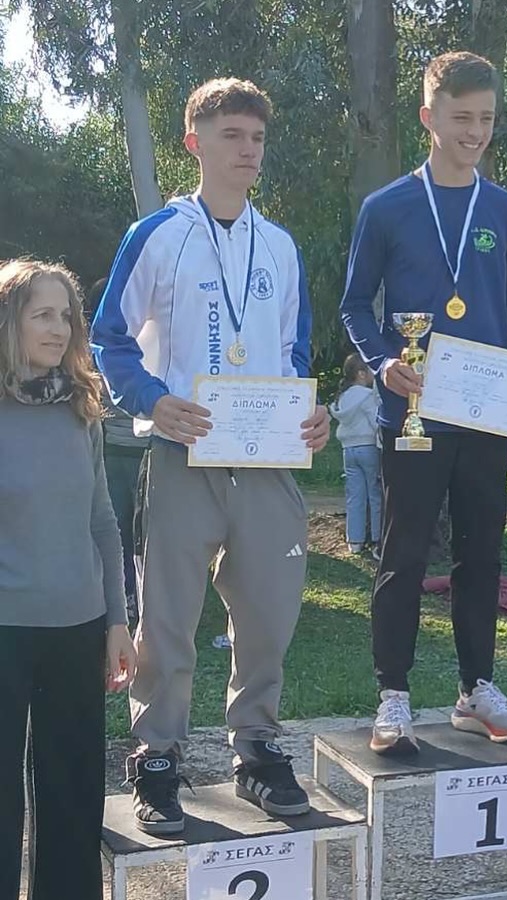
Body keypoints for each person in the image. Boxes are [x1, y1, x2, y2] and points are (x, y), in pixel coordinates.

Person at [91, 77, 330, 835]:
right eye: (232, 135)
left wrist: (308, 415)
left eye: (257, 137)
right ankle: (157, 756)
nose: (248, 150)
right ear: (194, 142)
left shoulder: (280, 246)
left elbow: (293, 352)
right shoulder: (159, 234)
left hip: (265, 458)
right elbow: (108, 338)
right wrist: (151, 398)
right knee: (167, 617)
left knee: (268, 612)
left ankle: (255, 748)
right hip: (181, 450)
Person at [341, 51, 507, 755]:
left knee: (482, 554)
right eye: (462, 117)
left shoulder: (505, 210)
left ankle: (475, 689)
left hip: (487, 413)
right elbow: (354, 306)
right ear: (428, 117)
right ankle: (393, 695)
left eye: (486, 118)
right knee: (402, 553)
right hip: (413, 412)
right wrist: (384, 362)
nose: (476, 132)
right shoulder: (387, 207)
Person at [0, 260, 137, 900]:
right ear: (11, 322)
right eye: (43, 316)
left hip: (78, 628)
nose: (59, 329)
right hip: (5, 631)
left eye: (67, 316)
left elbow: (102, 522)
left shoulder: (83, 408)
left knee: (72, 794)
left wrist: (118, 620)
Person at [84, 277, 149, 622]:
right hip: (117, 453)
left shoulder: (104, 349)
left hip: (140, 453)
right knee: (122, 530)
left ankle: (137, 598)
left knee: (131, 531)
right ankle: (128, 598)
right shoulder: (99, 350)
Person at [330, 351, 382, 557]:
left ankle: (355, 541)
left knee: (354, 496)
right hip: (368, 447)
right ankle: (377, 540)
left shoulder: (341, 398)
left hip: (348, 449)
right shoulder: (367, 396)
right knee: (375, 494)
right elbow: (375, 422)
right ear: (361, 374)